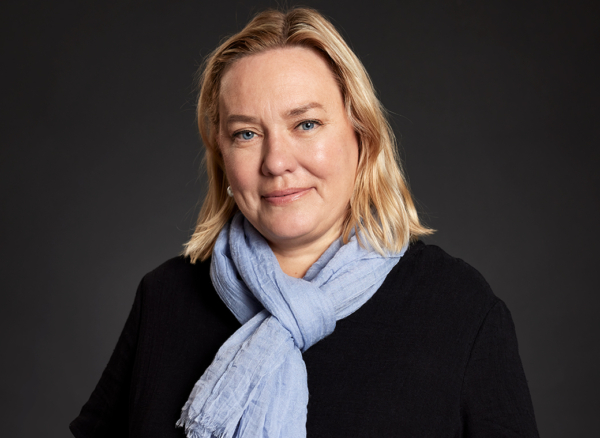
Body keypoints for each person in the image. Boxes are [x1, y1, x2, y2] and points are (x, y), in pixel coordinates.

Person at [70, 7, 539, 438]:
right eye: (246, 133)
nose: (276, 162)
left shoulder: (457, 308)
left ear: (361, 134)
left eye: (306, 124)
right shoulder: (164, 299)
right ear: (222, 156)